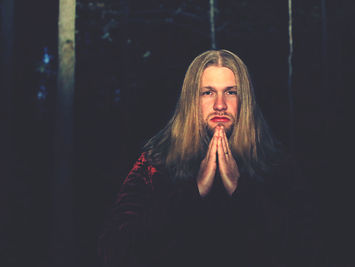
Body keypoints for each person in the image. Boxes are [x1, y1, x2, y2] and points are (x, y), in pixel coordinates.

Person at [98, 49, 314, 267]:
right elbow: (114, 251)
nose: (220, 104)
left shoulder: (274, 163)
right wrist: (194, 191)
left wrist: (242, 191)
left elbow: (307, 248)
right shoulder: (155, 162)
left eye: (231, 92)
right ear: (192, 99)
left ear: (245, 100)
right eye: (208, 92)